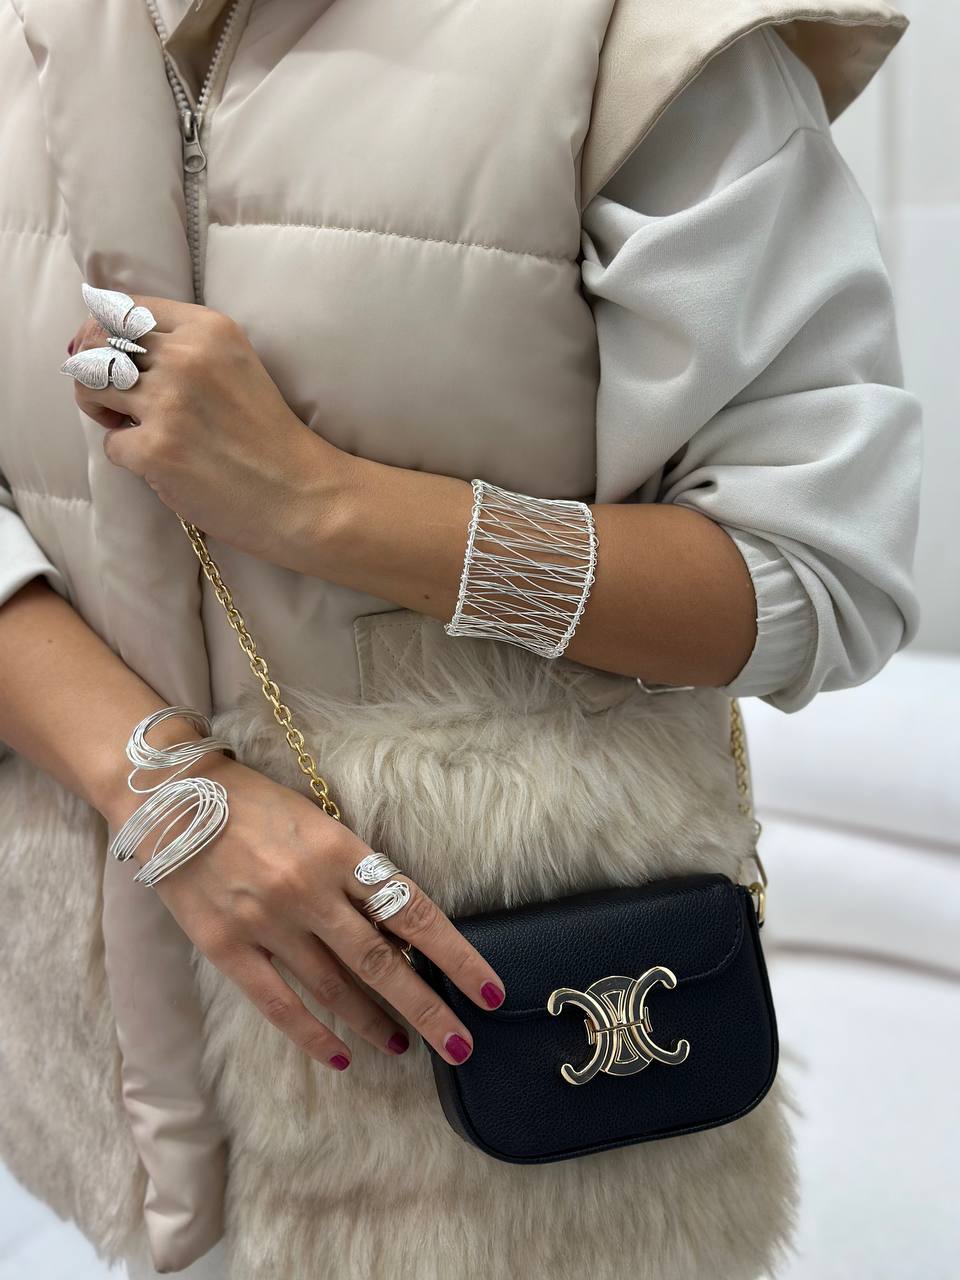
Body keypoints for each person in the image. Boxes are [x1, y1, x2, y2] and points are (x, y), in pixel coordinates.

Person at [0, 1, 919, 1277]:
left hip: (518, 1128)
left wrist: (324, 504)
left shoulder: (638, 37)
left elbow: (819, 576)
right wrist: (164, 791)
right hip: (87, 1071)